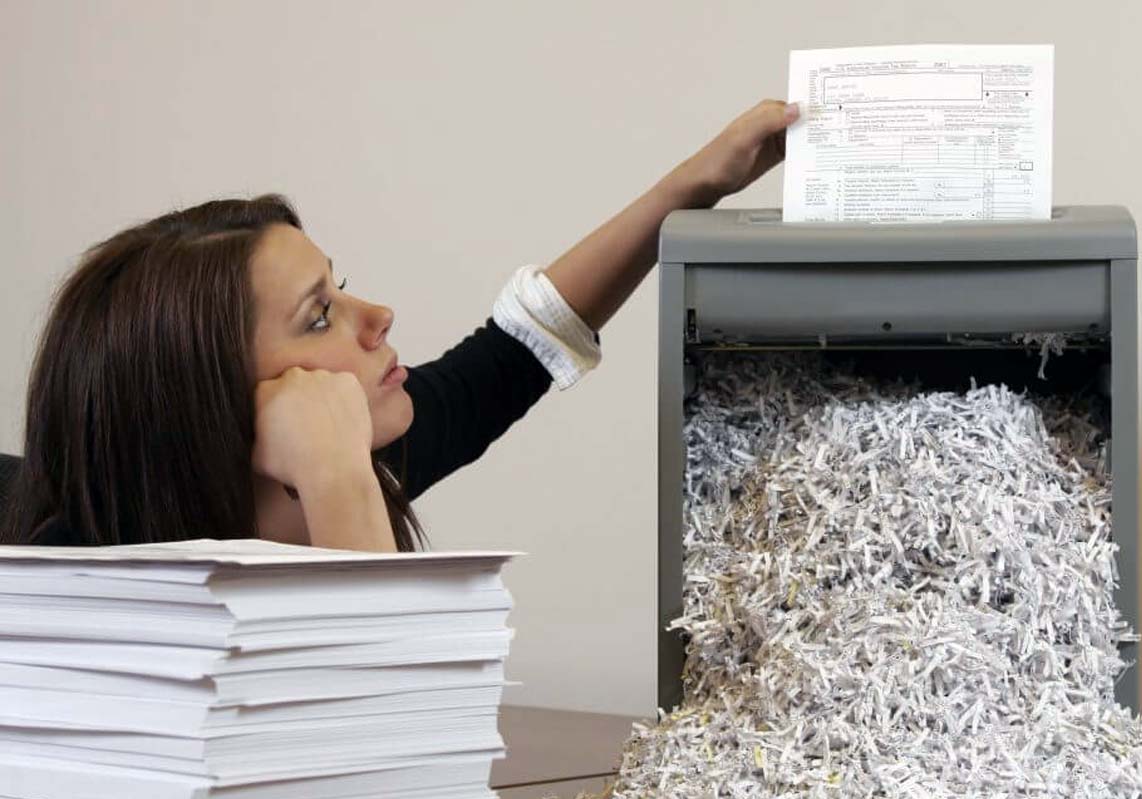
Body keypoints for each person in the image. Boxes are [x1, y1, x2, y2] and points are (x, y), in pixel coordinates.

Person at [0, 100, 801, 551]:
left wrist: (700, 182)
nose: (379, 317)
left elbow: (515, 350)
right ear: (206, 405)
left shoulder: (338, 460)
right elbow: (377, 734)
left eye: (339, 288)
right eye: (320, 316)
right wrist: (337, 478)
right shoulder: (67, 595)